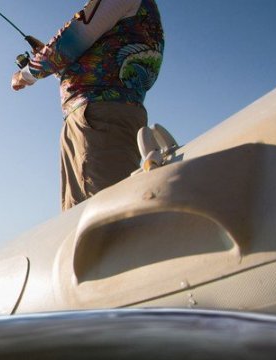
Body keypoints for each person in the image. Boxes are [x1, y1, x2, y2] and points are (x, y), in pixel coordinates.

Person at [11, 0, 164, 210]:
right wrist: (54, 63)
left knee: (99, 215)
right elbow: (100, 62)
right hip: (115, 113)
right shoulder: (145, 10)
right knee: (91, 211)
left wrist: (25, 75)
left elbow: (71, 40)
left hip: (96, 118)